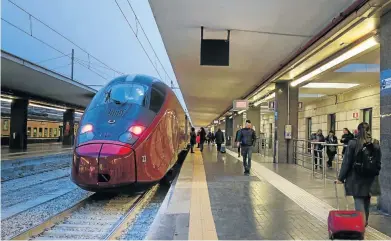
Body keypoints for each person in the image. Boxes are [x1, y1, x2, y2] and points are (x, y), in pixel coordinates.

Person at [336, 122, 381, 227]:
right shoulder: (375, 143)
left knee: (358, 199)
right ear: (369, 130)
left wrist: (340, 178)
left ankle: (360, 225)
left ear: (358, 130)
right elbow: (378, 161)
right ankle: (364, 222)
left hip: (356, 177)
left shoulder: (353, 143)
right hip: (371, 177)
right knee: (367, 198)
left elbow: (346, 162)